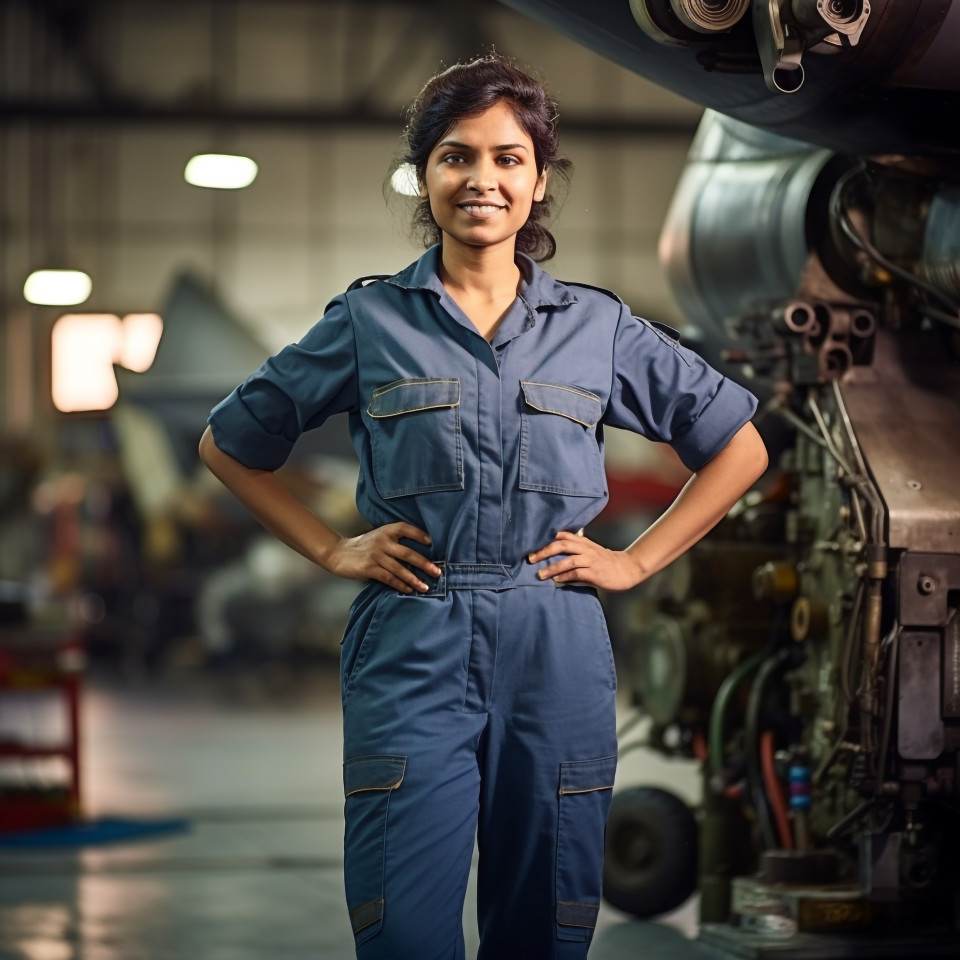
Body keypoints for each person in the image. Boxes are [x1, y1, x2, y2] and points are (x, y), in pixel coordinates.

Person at [199, 53, 767, 960]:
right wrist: (333, 550)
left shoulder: (598, 328)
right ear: (425, 177)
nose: (483, 180)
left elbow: (739, 445)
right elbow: (231, 443)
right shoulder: (371, 322)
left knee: (545, 924)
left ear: (539, 181)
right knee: (405, 928)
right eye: (457, 156)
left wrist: (637, 561)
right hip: (413, 637)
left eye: (508, 158)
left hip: (556, 642)